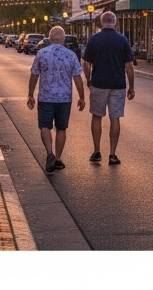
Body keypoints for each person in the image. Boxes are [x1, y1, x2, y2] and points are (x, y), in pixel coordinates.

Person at [27, 26, 85, 171]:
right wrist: (82, 97)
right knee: (61, 128)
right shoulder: (70, 55)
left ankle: (49, 153)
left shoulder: (42, 53)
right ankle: (58, 158)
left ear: (50, 38)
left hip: (46, 97)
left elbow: (34, 75)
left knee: (45, 126)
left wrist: (30, 94)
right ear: (63, 38)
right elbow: (77, 77)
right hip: (64, 98)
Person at [81, 10, 135, 165]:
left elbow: (85, 62)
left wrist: (89, 79)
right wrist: (131, 87)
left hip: (99, 82)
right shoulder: (122, 40)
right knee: (115, 117)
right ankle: (112, 153)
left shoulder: (94, 39)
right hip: (117, 84)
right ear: (115, 22)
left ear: (101, 22)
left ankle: (97, 151)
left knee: (97, 116)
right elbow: (129, 66)